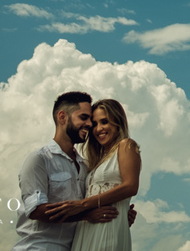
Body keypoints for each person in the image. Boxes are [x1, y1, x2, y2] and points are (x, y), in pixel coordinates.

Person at [13, 92, 121, 251]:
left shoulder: (86, 167)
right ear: (62, 117)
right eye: (83, 117)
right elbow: (36, 210)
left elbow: (92, 207)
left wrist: (119, 214)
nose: (90, 124)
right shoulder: (39, 159)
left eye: (90, 119)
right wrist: (84, 215)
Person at [49, 98, 142, 251]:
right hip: (86, 229)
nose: (98, 129)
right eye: (95, 124)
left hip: (109, 229)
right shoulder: (95, 162)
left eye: (104, 122)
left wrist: (82, 204)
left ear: (117, 123)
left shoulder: (126, 145)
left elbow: (131, 186)